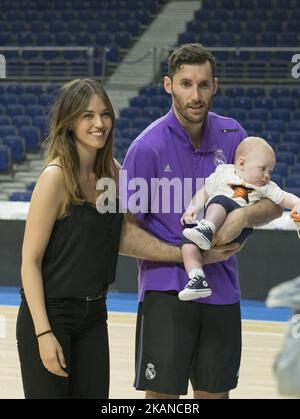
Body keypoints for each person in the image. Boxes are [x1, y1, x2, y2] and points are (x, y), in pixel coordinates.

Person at [121, 43, 282, 399]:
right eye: (185, 84)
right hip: (166, 292)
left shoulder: (234, 136)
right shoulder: (145, 148)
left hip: (223, 292)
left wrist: (240, 217)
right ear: (168, 85)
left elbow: (271, 204)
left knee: (215, 397)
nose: (195, 95)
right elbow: (123, 235)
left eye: (204, 84)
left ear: (215, 86)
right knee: (162, 401)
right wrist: (187, 254)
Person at [16, 78, 184, 399]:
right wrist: (44, 332)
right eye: (88, 115)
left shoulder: (115, 174)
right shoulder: (55, 177)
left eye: (105, 114)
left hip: (94, 317)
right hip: (52, 315)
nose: (99, 123)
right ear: (69, 121)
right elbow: (29, 262)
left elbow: (150, 218)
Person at [178, 136, 300, 301]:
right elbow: (205, 191)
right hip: (215, 220)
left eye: (270, 171)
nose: (266, 176)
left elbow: (285, 198)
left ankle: (207, 229)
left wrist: (297, 204)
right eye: (262, 169)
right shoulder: (224, 172)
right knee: (187, 243)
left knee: (221, 200)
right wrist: (192, 207)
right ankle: (197, 279)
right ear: (242, 164)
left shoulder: (266, 187)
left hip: (237, 226)